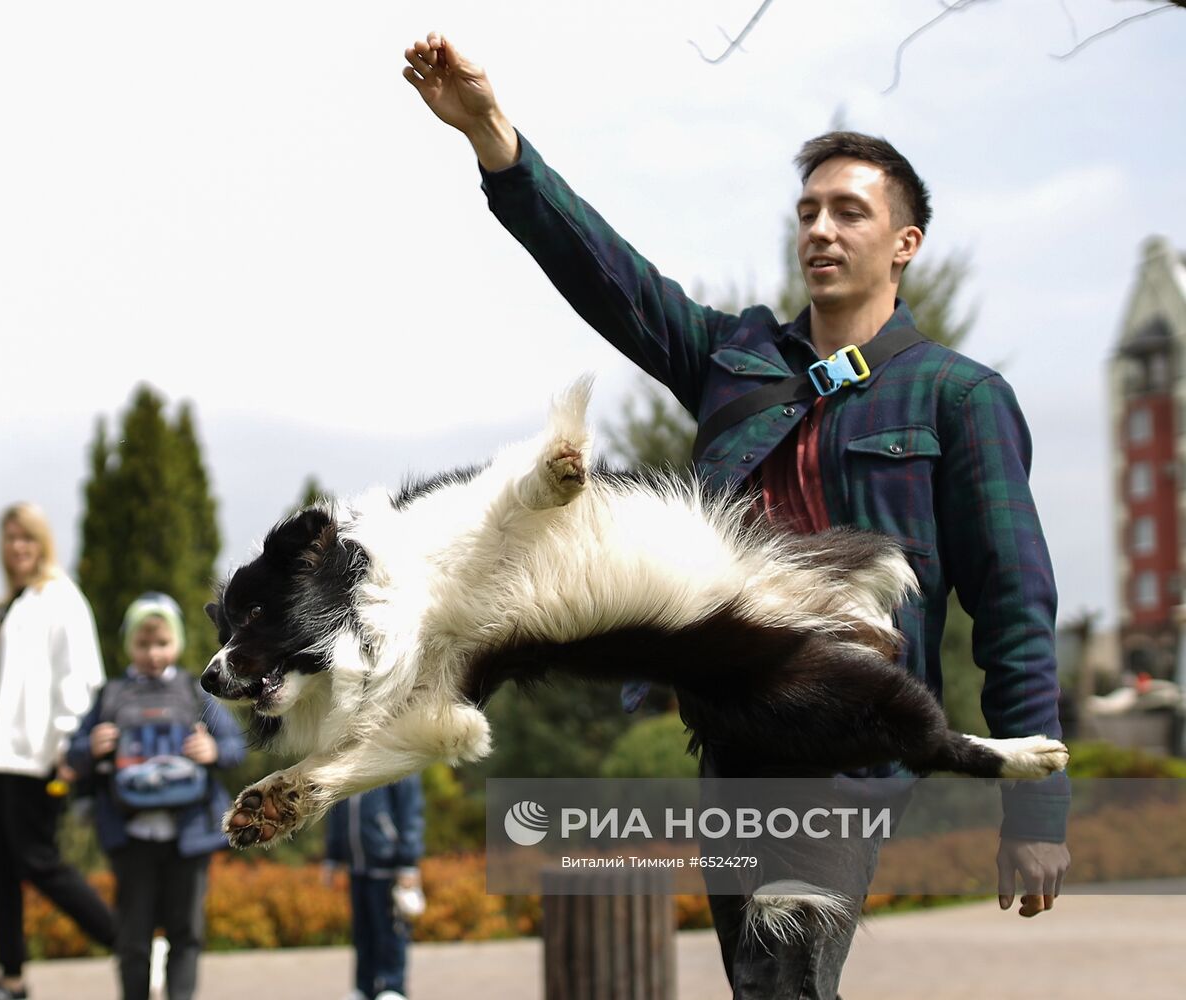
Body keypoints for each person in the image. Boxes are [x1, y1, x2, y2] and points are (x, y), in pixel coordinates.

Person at [403, 33, 1071, 998]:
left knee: (779, 983)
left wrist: (1036, 811)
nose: (822, 230)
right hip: (734, 735)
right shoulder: (738, 360)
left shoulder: (955, 397)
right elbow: (610, 278)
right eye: (808, 212)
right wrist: (494, 138)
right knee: (768, 985)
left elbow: (1014, 604)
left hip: (848, 739)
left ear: (904, 243)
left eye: (850, 212)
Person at [0, 502, 118, 1000]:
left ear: (42, 542)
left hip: (36, 759)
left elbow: (81, 677)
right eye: (9, 539)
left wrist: (66, 745)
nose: (17, 548)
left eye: (26, 538)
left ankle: (129, 943)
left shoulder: (60, 598)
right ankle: (12, 979)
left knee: (39, 863)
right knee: (3, 873)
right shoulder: (9, 603)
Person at [67, 592, 246, 1000]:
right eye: (143, 644)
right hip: (131, 838)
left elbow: (235, 747)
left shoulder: (196, 691)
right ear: (128, 645)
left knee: (187, 933)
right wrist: (91, 747)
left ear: (177, 643)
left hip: (189, 837)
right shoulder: (110, 696)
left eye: (162, 643)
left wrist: (213, 751)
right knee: (132, 938)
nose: (153, 653)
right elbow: (74, 754)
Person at [324, 775, 426, 1000]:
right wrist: (332, 857)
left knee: (390, 931)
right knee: (362, 932)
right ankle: (364, 987)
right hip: (356, 868)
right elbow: (336, 810)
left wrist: (408, 863)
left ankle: (393, 986)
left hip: (387, 867)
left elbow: (410, 811)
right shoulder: (346, 762)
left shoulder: (397, 756)